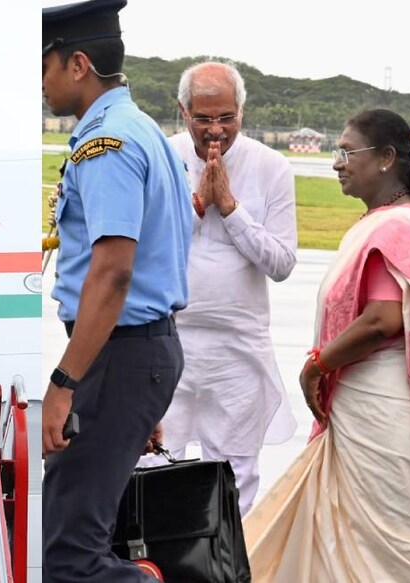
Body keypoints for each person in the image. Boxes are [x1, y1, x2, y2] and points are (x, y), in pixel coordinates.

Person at [243, 109, 410, 582]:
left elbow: (382, 320)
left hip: (381, 412)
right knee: (352, 541)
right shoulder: (390, 221)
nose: (337, 162)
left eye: (348, 151)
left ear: (387, 158)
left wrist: (316, 366)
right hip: (366, 408)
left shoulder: (399, 226)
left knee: (398, 549)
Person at [40, 0, 193, 580]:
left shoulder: (107, 143)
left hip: (116, 353)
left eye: (45, 66)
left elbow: (114, 271)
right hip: (132, 355)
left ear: (78, 64)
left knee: (69, 557)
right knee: (79, 534)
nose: (42, 82)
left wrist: (64, 382)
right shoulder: (143, 129)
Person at [157, 60, 297, 516]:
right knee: (154, 466)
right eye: (203, 118)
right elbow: (144, 252)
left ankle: (228, 567)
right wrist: (198, 204)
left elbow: (281, 263)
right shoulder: (161, 155)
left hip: (239, 348)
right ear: (183, 112)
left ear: (241, 110)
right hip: (168, 341)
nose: (215, 131)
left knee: (234, 476)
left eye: (226, 118)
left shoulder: (271, 166)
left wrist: (232, 209)